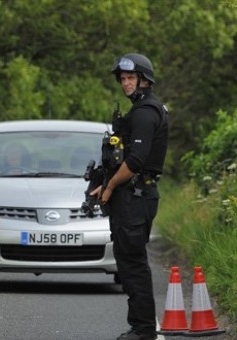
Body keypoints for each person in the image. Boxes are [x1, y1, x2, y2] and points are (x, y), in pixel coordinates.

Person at [91, 53, 168, 340]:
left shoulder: (146, 112)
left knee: (133, 263)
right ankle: (140, 326)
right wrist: (105, 184)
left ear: (144, 80)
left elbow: (135, 161)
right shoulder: (141, 110)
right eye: (122, 79)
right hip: (133, 194)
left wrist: (109, 188)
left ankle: (144, 328)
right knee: (127, 261)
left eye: (130, 78)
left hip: (137, 196)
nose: (125, 83)